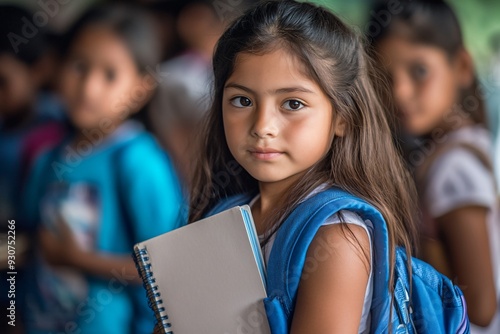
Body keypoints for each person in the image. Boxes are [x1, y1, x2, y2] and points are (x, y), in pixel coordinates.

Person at [188, 0, 418, 332]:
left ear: (342, 116)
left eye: (293, 104)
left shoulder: (337, 237)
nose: (262, 125)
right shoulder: (231, 212)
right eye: (242, 100)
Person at [22, 5, 186, 334]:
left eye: (109, 74)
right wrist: (12, 313)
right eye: (79, 66)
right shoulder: (47, 158)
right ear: (58, 67)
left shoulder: (138, 161)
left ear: (140, 90)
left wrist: (79, 260)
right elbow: (22, 240)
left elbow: (170, 272)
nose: (89, 87)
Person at [371, 0, 500, 331]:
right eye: (386, 77)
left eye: (419, 71)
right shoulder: (460, 146)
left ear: (461, 66)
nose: (399, 92)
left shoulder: (452, 166)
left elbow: (482, 308)